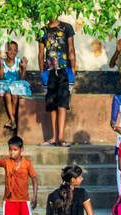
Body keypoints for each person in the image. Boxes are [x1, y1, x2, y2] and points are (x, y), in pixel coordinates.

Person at [38, 17, 77, 145]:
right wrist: (41, 72)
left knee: (62, 103)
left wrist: (73, 68)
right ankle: (54, 137)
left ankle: (61, 137)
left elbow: (71, 49)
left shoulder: (67, 27)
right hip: (49, 71)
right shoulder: (43, 30)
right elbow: (41, 54)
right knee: (52, 104)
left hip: (64, 70)